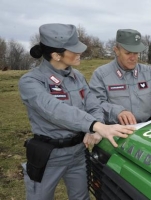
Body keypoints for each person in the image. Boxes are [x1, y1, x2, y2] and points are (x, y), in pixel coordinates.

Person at [18, 23, 135, 200]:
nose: (80, 52)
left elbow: (93, 105)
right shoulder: (30, 82)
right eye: (74, 49)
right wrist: (95, 125)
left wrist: (94, 129)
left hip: (78, 152)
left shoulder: (77, 77)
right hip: (49, 157)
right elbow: (55, 110)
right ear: (56, 55)